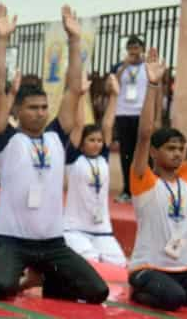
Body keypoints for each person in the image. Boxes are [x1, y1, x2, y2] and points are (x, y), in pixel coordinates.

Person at [0, 2, 109, 304]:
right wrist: (2, 41)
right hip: (12, 241)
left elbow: (72, 90)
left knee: (97, 291)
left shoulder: (55, 137)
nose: (40, 113)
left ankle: (48, 276)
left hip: (52, 243)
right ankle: (30, 281)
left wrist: (75, 39)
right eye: (32, 108)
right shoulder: (6, 140)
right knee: (0, 287)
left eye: (44, 108)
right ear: (18, 111)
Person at [126, 47, 187, 311]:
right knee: (174, 299)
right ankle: (138, 291)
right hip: (147, 268)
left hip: (182, 269)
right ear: (155, 152)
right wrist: (152, 84)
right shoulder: (144, 180)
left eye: (180, 148)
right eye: (171, 148)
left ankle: (175, 290)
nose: (178, 154)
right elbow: (144, 133)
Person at [63, 74, 127, 267]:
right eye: (91, 140)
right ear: (81, 143)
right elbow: (79, 124)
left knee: (118, 262)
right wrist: (82, 95)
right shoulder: (74, 159)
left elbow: (107, 124)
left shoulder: (103, 160)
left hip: (102, 229)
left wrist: (115, 96)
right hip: (75, 228)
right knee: (91, 260)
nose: (97, 144)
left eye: (99, 141)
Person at [111, 35, 148, 203]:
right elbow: (110, 86)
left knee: (142, 153)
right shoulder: (119, 67)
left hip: (141, 113)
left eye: (137, 48)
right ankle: (127, 190)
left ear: (142, 49)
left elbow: (158, 89)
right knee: (126, 153)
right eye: (130, 48)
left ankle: (143, 189)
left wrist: (155, 117)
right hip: (123, 113)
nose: (134, 51)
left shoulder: (148, 67)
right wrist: (123, 66)